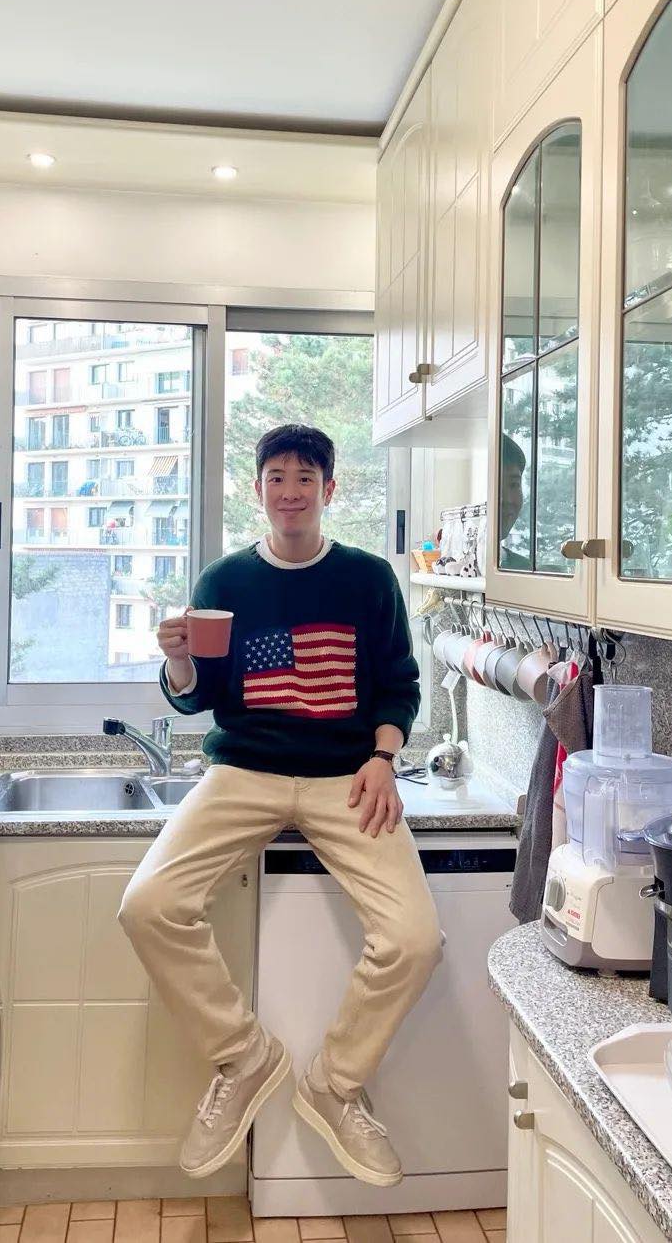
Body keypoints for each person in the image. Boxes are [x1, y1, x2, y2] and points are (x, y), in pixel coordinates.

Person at [118, 423, 441, 1188]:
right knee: (149, 906)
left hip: (346, 776)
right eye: (276, 478)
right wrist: (177, 659)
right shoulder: (226, 582)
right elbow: (199, 700)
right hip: (244, 771)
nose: (290, 492)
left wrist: (384, 758)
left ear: (329, 490)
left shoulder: (367, 579)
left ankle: (335, 1083)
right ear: (257, 489)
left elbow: (399, 685)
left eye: (304, 478)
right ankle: (243, 1056)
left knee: (415, 939)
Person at [499, 432, 530, 570]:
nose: (506, 499)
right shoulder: (444, 567)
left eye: (514, 485)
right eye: (495, 486)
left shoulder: (524, 569)